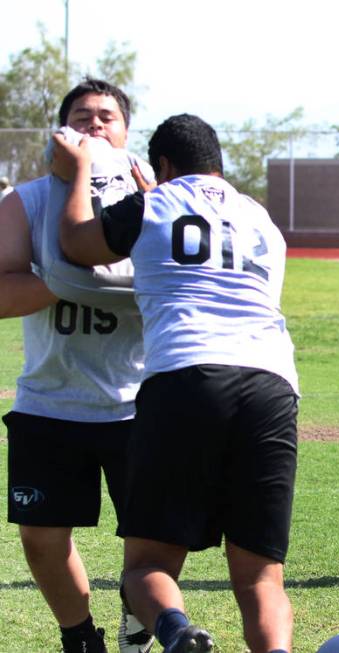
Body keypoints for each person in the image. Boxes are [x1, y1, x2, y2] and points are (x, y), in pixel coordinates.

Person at [53, 113, 300, 653]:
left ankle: (175, 631)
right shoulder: (261, 218)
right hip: (272, 383)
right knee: (262, 577)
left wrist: (77, 173)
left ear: (161, 165)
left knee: (146, 566)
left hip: (188, 374)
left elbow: (76, 243)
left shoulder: (152, 205)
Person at [0, 78, 154, 653]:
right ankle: (80, 638)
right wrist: (77, 281)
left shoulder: (154, 195)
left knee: (152, 538)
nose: (95, 125)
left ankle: (138, 615)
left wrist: (85, 279)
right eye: (82, 116)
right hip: (50, 400)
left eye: (107, 117)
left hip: (141, 400)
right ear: (60, 133)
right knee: (41, 538)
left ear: (126, 131)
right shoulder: (27, 199)